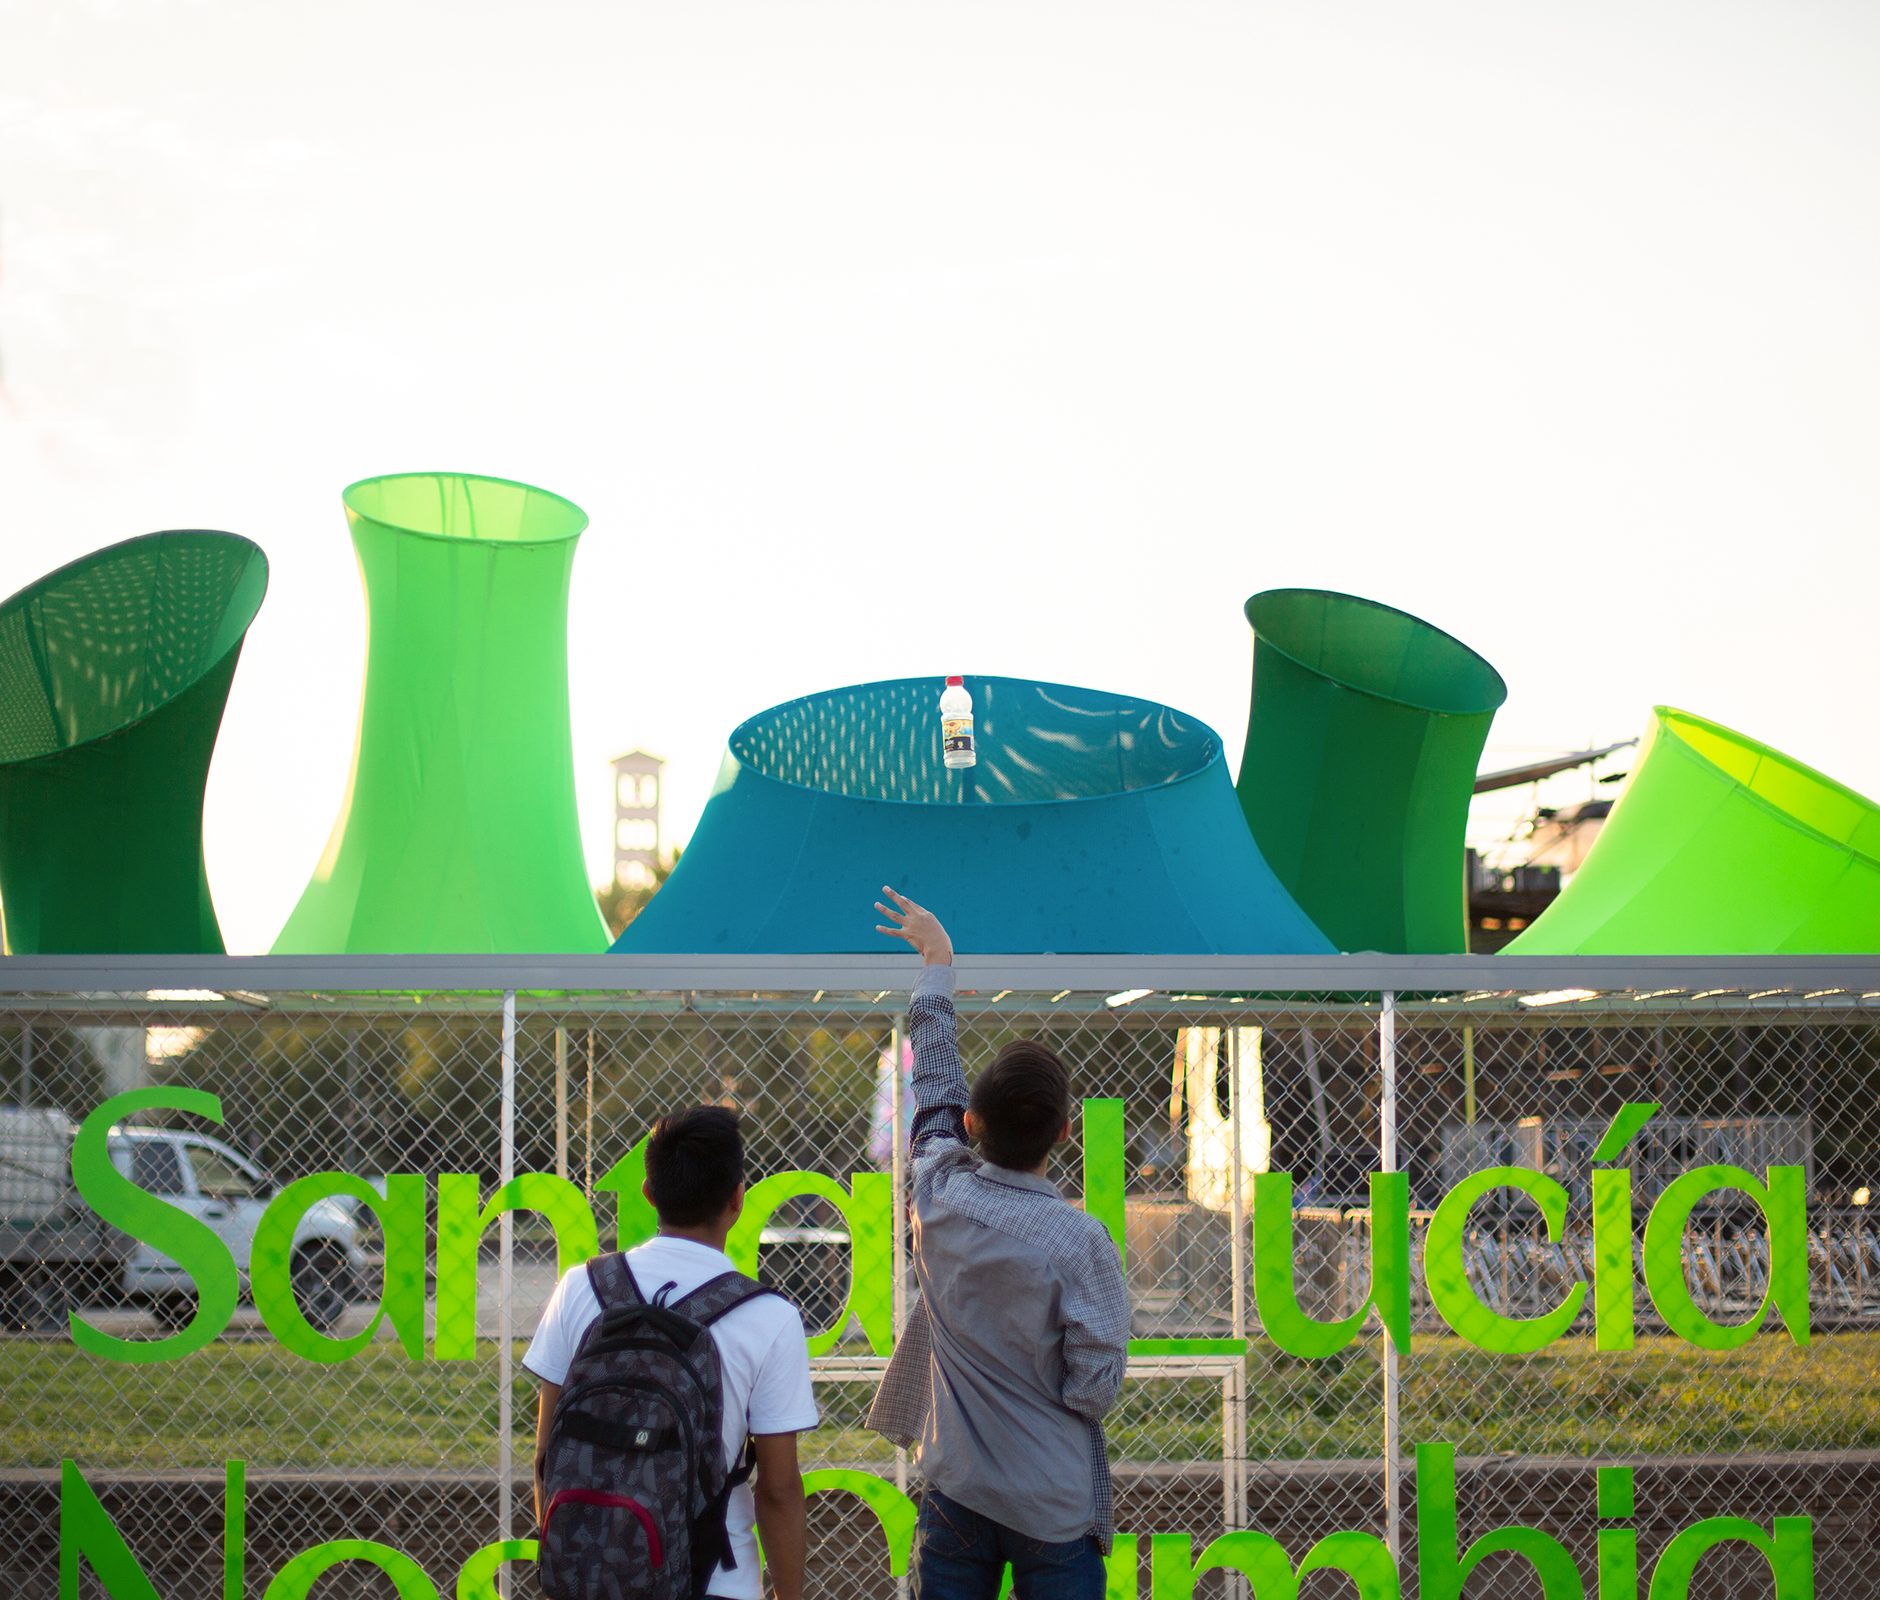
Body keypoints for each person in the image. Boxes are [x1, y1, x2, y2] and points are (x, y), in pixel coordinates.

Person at [871, 886, 1130, 1600]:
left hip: (956, 1488)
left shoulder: (937, 1193)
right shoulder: (1081, 1242)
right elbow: (1096, 1384)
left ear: (972, 1123)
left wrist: (938, 959)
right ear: (1065, 1134)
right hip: (1052, 1501)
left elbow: (933, 1071)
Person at [524, 1106, 818, 1600]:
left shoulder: (580, 1288)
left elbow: (546, 1456)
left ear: (648, 1194)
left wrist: (584, 1562)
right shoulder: (770, 1318)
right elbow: (779, 1490)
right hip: (712, 1582)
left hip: (589, 1581)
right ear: (737, 1200)